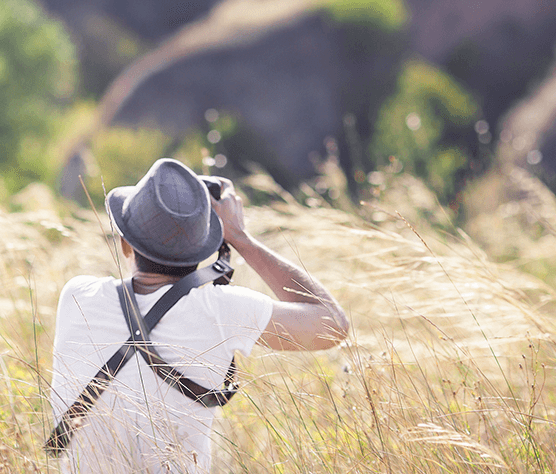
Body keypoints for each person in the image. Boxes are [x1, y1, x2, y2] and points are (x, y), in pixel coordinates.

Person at [47, 158, 349, 473]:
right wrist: (241, 238)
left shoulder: (77, 295)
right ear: (203, 247)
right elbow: (333, 324)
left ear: (125, 243)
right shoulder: (222, 308)